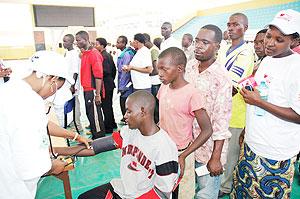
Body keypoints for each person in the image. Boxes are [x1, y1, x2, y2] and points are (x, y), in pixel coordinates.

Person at [54, 91, 179, 199]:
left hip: (145, 195)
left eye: (129, 112)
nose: (125, 116)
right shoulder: (130, 132)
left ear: (143, 112)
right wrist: (57, 150)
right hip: (124, 190)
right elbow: (94, 148)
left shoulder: (164, 146)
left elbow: (162, 193)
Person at [0, 51, 89, 199]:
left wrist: (75, 136)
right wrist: (53, 166)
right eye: (56, 89)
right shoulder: (30, 102)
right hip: (11, 188)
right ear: (51, 78)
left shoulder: (10, 90)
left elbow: (41, 123)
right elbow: (29, 165)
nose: (51, 94)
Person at [232, 9, 300, 198]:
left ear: (294, 41)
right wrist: (247, 130)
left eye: (279, 40)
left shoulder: (297, 68)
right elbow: (263, 94)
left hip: (276, 152)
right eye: (268, 36)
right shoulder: (268, 61)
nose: (269, 43)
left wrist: (260, 103)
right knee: (243, 192)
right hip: (253, 144)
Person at [157, 47, 213, 199]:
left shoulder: (192, 93)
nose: (160, 74)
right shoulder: (163, 88)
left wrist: (184, 155)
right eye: (158, 69)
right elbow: (163, 118)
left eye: (164, 69)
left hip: (181, 152)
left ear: (180, 69)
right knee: (163, 189)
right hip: (162, 149)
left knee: (182, 193)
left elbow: (207, 130)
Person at [185, 25, 232, 199]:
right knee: (186, 191)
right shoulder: (189, 67)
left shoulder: (222, 78)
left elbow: (221, 122)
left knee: (206, 194)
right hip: (187, 144)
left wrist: (216, 157)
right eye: (197, 41)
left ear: (217, 47)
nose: (198, 46)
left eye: (205, 42)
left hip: (208, 149)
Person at [218, 12, 255, 197]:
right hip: (220, 110)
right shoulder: (225, 49)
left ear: (245, 28)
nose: (231, 28)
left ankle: (224, 187)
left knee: (230, 153)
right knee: (219, 149)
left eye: (236, 25)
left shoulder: (246, 52)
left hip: (235, 112)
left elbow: (231, 84)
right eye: (229, 24)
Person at [75, 30, 106, 139]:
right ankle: (94, 134)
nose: (77, 42)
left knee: (95, 115)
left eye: (79, 40)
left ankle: (99, 137)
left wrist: (97, 94)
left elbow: (98, 76)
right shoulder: (85, 53)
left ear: (86, 39)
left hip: (93, 89)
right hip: (86, 89)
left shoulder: (94, 54)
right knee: (90, 113)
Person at [95, 37, 117, 134]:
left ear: (102, 45)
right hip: (108, 83)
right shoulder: (104, 55)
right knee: (108, 105)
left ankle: (108, 127)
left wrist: (96, 73)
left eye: (97, 44)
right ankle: (111, 123)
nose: (95, 46)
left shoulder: (104, 56)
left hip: (106, 84)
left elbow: (108, 70)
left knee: (106, 106)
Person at [62, 34, 83, 131]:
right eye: (63, 41)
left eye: (66, 41)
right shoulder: (67, 53)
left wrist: (72, 85)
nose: (63, 43)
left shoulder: (74, 54)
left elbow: (75, 71)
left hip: (73, 84)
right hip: (68, 83)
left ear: (71, 42)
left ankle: (78, 125)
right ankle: (72, 121)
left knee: (75, 103)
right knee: (70, 102)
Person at [116, 35, 136, 123]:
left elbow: (125, 72)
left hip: (126, 84)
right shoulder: (123, 53)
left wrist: (122, 86)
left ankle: (128, 121)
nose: (116, 44)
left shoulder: (127, 54)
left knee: (124, 102)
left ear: (124, 43)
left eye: (118, 42)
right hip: (124, 83)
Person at [143, 33, 160, 123]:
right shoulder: (150, 50)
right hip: (153, 81)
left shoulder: (153, 51)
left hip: (155, 82)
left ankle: (157, 123)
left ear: (146, 41)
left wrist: (145, 73)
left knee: (155, 105)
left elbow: (156, 69)